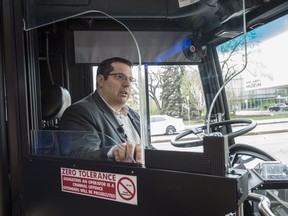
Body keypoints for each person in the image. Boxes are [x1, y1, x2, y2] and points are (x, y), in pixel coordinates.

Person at [59, 57, 142, 164]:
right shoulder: (80, 112)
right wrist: (113, 151)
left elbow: (147, 150)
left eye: (130, 79)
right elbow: (79, 153)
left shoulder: (133, 115)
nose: (127, 84)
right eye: (120, 77)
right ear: (100, 80)